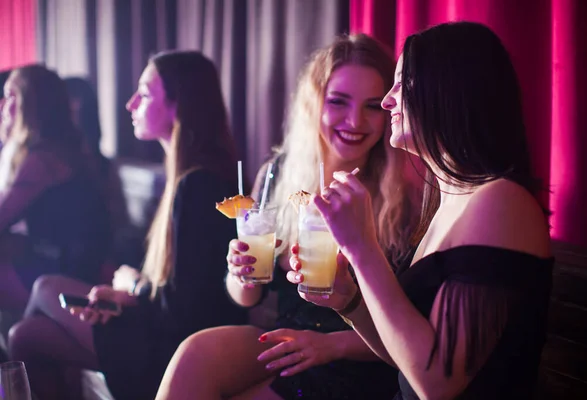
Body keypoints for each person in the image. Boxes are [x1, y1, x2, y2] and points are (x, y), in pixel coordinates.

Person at [289, 22, 554, 399]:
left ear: (452, 92)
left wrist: (362, 247)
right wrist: (349, 299)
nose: (387, 101)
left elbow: (436, 383)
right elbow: (405, 361)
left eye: (403, 84)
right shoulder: (450, 199)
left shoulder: (501, 201)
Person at [156, 34, 422, 400]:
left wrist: (330, 345)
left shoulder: (408, 194)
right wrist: (241, 273)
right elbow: (246, 298)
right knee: (193, 354)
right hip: (289, 335)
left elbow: (414, 333)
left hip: (362, 357)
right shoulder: (277, 175)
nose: (355, 120)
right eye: (338, 102)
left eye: (373, 106)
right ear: (314, 105)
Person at [8, 51, 248, 400]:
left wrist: (131, 286)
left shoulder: (199, 184)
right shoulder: (186, 175)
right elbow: (181, 284)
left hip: (174, 348)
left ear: (179, 104)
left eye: (145, 94)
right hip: (160, 329)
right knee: (24, 336)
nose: (130, 103)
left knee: (45, 288)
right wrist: (125, 293)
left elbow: (188, 310)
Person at [0, 65, 110, 313]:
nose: (3, 105)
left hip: (69, 274)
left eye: (12, 96)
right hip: (65, 263)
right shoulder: (60, 148)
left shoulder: (42, 159)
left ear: (33, 105)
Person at [64, 77, 132, 269]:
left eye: (77, 110)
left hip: (92, 256)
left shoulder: (96, 162)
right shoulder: (56, 156)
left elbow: (114, 219)